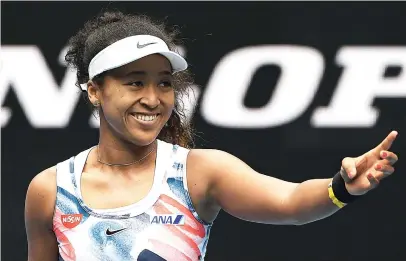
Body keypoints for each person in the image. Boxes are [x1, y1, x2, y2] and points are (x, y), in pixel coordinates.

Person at [24, 10, 399, 261]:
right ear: (94, 90)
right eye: (135, 82)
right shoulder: (50, 190)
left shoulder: (199, 173)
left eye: (164, 84)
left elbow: (291, 202)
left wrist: (342, 186)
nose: (153, 99)